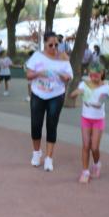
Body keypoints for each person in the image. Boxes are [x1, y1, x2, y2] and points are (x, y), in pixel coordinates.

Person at [25, 32, 73, 172]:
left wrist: (63, 76)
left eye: (56, 45)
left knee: (52, 125)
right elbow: (28, 75)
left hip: (56, 95)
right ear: (44, 43)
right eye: (50, 44)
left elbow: (68, 77)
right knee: (36, 124)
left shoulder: (63, 57)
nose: (53, 47)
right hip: (38, 94)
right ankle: (36, 153)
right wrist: (39, 73)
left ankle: (49, 159)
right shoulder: (37, 56)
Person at [70, 63, 109, 184]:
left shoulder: (105, 86)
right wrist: (76, 93)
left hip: (98, 119)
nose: (94, 77)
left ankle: (97, 164)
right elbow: (72, 95)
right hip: (86, 118)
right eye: (91, 75)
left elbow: (100, 102)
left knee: (94, 147)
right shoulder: (84, 84)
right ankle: (85, 171)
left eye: (97, 74)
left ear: (102, 74)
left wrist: (90, 99)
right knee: (86, 145)